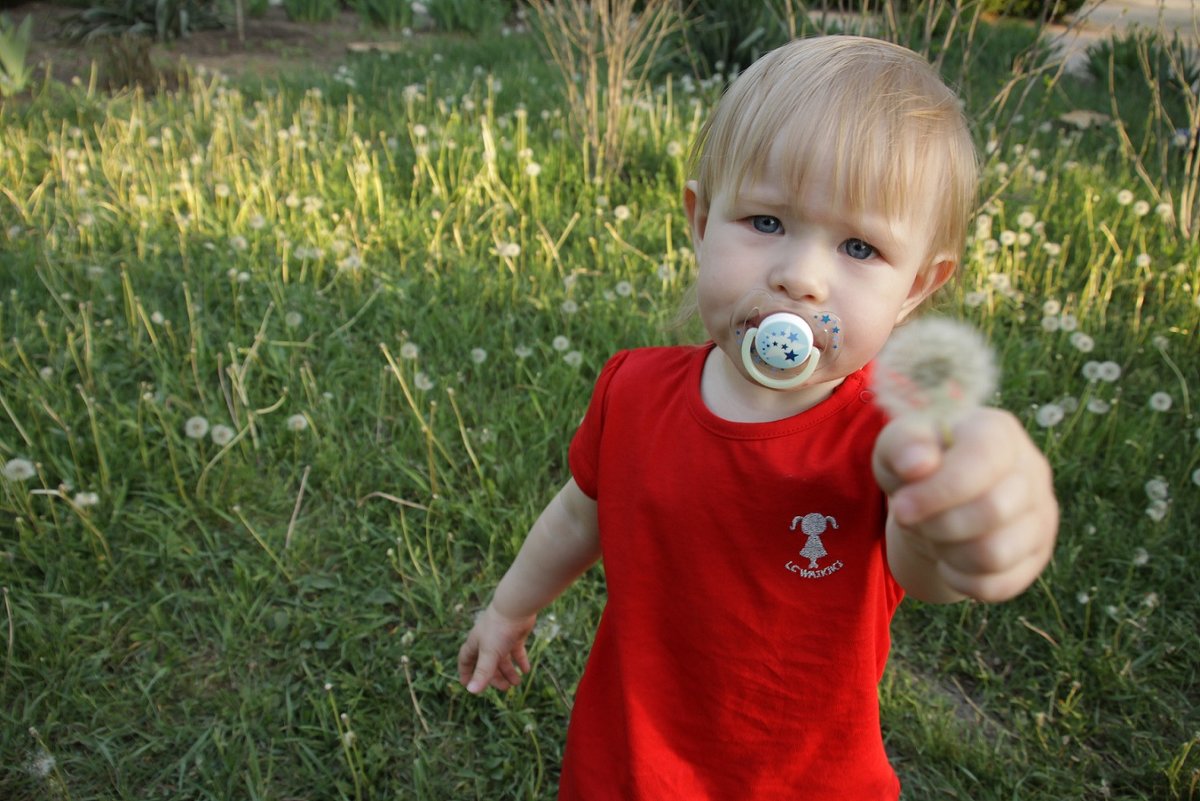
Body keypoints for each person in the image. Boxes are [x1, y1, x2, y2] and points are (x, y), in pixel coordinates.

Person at [457, 35, 1059, 800]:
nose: (801, 277)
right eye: (767, 222)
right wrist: (510, 606)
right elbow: (581, 516)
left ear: (916, 286)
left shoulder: (889, 438)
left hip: (806, 781)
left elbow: (924, 564)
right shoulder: (632, 389)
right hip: (630, 762)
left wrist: (962, 519)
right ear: (702, 221)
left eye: (859, 247)